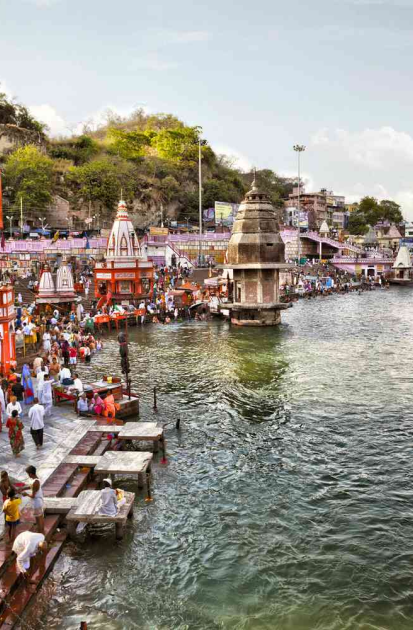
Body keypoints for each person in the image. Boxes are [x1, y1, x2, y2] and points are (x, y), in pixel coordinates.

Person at [22, 466, 44, 534]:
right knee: (39, 518)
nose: (28, 475)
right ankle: (41, 532)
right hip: (38, 501)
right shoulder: (36, 480)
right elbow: (31, 486)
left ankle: (40, 533)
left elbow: (33, 496)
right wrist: (23, 488)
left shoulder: (35, 482)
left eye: (28, 474)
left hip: (37, 502)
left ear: (31, 474)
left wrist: (26, 494)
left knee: (39, 520)